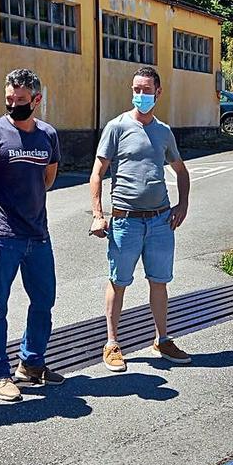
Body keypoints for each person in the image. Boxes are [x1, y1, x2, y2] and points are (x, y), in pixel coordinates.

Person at [89, 66, 192, 372]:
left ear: (158, 93)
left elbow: (181, 170)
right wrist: (98, 214)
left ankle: (162, 339)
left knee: (159, 283)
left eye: (147, 90)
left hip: (160, 221)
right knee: (118, 282)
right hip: (125, 222)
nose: (141, 95)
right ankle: (112, 344)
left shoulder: (163, 131)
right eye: (136, 89)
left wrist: (182, 205)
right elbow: (97, 174)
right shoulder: (116, 128)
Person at [0, 69, 63, 401]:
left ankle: (32, 363)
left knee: (44, 301)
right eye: (9, 99)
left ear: (37, 100)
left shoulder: (48, 135)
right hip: (3, 236)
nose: (14, 105)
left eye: (21, 100)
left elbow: (48, 179)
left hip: (38, 235)